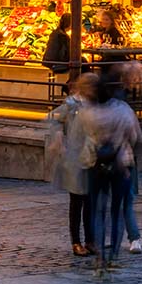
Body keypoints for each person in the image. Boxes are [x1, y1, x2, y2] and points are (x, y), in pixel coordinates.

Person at [80, 69, 141, 269]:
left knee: (98, 210)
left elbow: (84, 134)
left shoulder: (88, 112)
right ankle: (113, 253)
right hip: (121, 163)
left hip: (95, 162)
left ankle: (99, 254)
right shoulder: (123, 110)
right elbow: (135, 136)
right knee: (117, 210)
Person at [48, 72, 98, 256]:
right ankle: (76, 241)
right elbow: (54, 119)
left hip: (93, 156)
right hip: (76, 157)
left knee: (91, 201)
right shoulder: (71, 104)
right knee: (77, 201)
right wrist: (58, 136)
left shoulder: (96, 105)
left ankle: (91, 240)